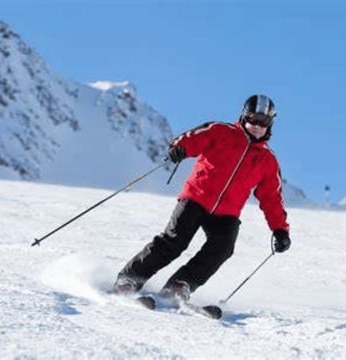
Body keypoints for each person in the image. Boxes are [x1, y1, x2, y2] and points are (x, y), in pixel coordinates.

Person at [113, 94, 291, 301]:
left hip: (227, 213)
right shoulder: (221, 131)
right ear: (244, 116)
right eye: (253, 119)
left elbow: (272, 198)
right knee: (174, 242)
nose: (257, 126)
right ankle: (129, 279)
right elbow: (192, 138)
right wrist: (179, 149)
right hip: (196, 198)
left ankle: (180, 285)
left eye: (264, 122)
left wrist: (280, 230)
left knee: (223, 248)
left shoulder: (267, 161)